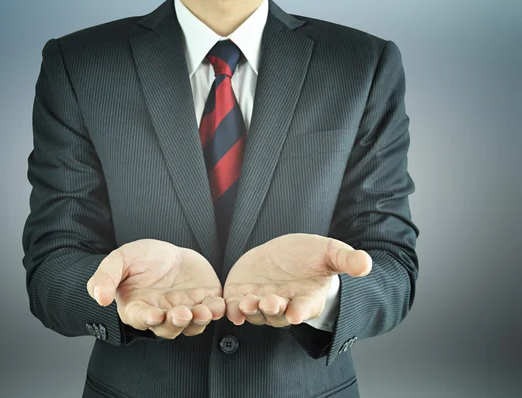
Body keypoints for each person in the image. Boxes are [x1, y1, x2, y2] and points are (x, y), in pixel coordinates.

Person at [22, 0, 420, 396]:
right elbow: (52, 265)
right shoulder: (81, 63)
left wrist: (328, 296)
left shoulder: (362, 63)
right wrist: (117, 298)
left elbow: (392, 264)